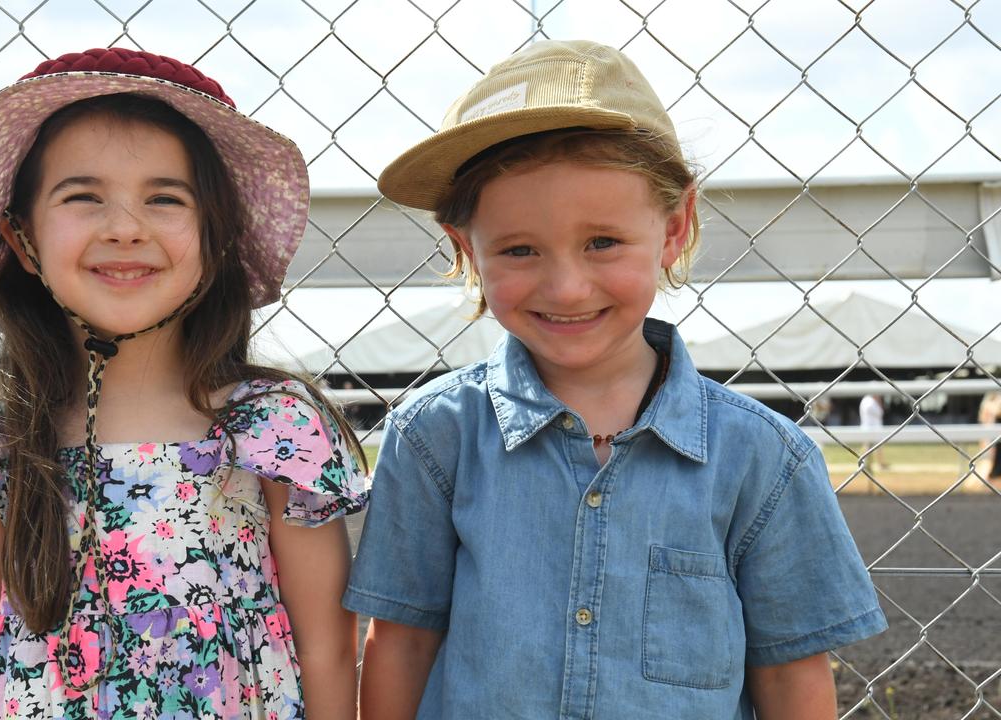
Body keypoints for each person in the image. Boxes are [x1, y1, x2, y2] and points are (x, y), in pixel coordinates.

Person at [344, 40, 886, 719]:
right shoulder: (433, 438)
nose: (567, 287)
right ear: (466, 249)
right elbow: (403, 640)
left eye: (602, 242)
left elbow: (791, 677)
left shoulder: (765, 459)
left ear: (673, 227)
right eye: (518, 250)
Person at [0, 48, 367, 719]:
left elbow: (329, 654)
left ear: (216, 237)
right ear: (21, 240)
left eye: (165, 199)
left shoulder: (271, 429)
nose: (126, 228)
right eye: (84, 198)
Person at [859, 393, 889, 470]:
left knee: (876, 447)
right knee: (867, 447)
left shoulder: (868, 400)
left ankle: (879, 463)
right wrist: (878, 401)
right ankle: (866, 464)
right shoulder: (869, 401)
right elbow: (880, 412)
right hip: (869, 427)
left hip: (873, 427)